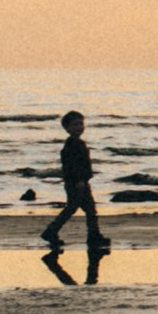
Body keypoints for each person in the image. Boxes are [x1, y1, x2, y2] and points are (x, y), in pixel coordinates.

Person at [41, 110, 109, 266]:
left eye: (81, 124)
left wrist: (84, 179)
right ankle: (51, 231)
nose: (79, 127)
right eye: (75, 124)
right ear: (67, 128)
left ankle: (94, 235)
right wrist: (79, 180)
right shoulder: (72, 144)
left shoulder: (78, 143)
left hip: (82, 181)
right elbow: (72, 165)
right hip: (76, 183)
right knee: (72, 208)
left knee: (90, 210)